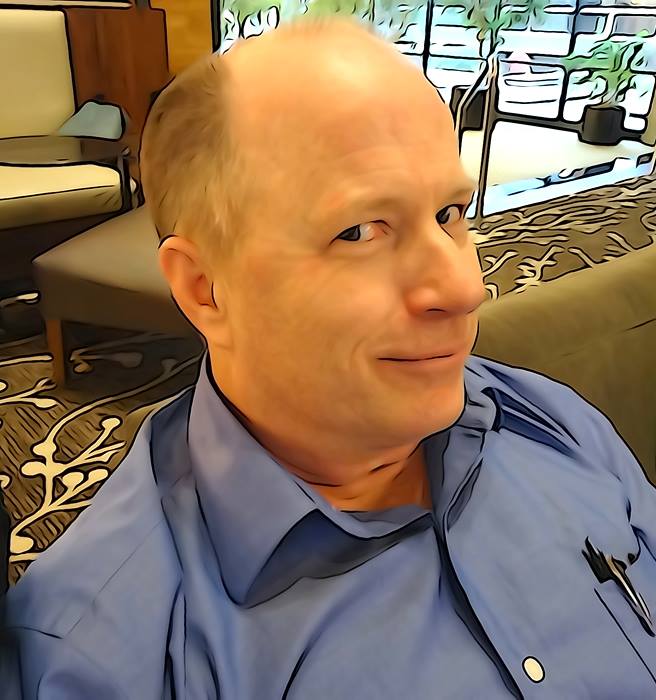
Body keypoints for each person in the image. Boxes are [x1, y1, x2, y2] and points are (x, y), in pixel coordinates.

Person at [2, 15, 656, 699]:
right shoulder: (108, 660)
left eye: (450, 214)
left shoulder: (550, 419)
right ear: (205, 289)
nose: (465, 289)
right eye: (361, 231)